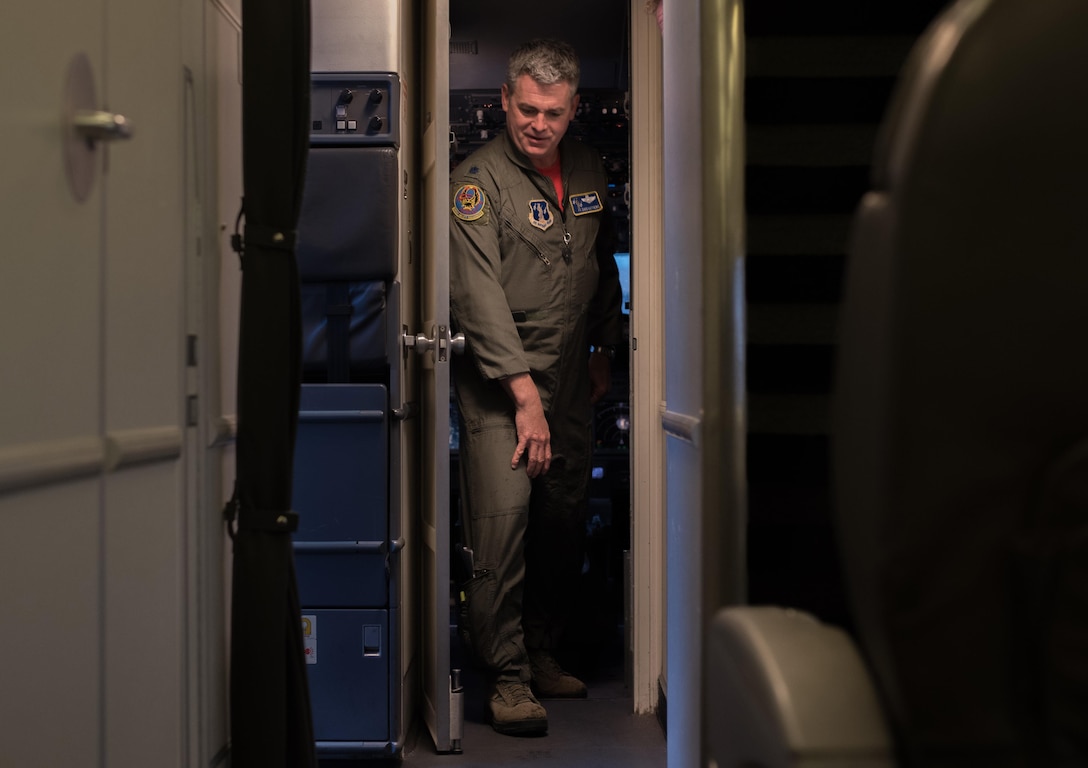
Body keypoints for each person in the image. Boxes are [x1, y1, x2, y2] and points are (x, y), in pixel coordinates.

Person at [448, 38, 625, 736]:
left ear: (573, 108)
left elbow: (600, 261)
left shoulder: (585, 167)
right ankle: (508, 677)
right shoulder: (477, 182)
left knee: (562, 518)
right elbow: (477, 297)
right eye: (526, 109)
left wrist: (606, 344)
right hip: (502, 383)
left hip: (572, 379)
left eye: (552, 112)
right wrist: (524, 398)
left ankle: (542, 651)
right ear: (503, 101)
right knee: (502, 528)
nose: (538, 124)